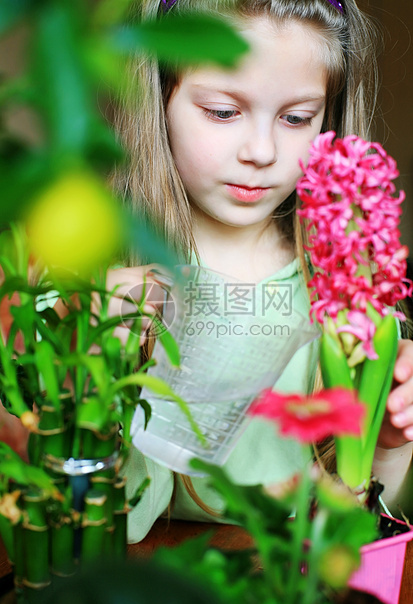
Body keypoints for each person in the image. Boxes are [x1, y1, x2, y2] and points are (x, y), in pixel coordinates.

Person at [107, 0, 413, 543]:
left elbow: (352, 531)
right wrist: (99, 375)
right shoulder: (112, 283)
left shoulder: (342, 299)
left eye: (296, 118)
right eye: (224, 112)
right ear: (156, 100)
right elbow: (120, 527)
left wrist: (387, 439)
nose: (262, 150)